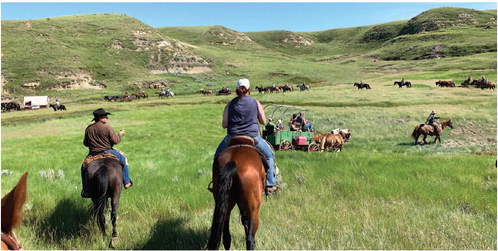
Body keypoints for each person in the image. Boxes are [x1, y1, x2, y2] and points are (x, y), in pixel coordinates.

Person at [214, 78, 278, 194]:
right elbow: (263, 121)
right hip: (253, 137)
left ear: (237, 89)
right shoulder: (255, 102)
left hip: (231, 137)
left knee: (217, 156)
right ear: (249, 89)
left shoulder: (230, 104)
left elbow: (224, 124)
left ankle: (215, 184)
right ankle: (270, 183)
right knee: (269, 156)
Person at [81, 108, 132, 198]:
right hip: (107, 151)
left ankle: (86, 189)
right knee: (124, 160)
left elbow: (85, 143)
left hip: (93, 153)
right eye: (105, 116)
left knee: (83, 167)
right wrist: (120, 134)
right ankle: (127, 182)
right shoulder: (107, 127)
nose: (107, 118)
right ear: (101, 118)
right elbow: (115, 141)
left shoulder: (89, 128)